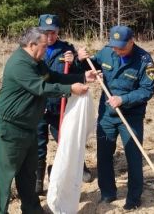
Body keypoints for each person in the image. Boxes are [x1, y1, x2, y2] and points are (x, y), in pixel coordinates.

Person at [0, 27, 99, 214]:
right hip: (10, 127)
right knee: (4, 175)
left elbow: (53, 77)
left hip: (28, 126)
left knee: (28, 174)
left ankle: (32, 210)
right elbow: (41, 87)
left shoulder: (37, 62)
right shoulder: (19, 64)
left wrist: (82, 77)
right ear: (32, 45)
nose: (47, 50)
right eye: (44, 47)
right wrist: (70, 89)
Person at [78, 25, 154, 211]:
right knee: (104, 155)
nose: (117, 50)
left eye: (121, 46)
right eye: (114, 46)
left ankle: (134, 198)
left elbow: (147, 90)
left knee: (133, 157)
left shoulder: (144, 61)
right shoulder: (106, 52)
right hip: (107, 115)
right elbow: (91, 65)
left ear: (131, 41)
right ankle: (107, 193)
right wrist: (82, 60)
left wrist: (123, 99)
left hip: (131, 116)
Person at [35, 14, 93, 195]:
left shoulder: (67, 49)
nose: (50, 36)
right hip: (39, 105)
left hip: (60, 104)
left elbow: (75, 75)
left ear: (58, 31)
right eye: (46, 32)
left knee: (66, 138)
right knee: (38, 143)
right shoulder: (33, 48)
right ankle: (38, 179)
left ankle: (77, 167)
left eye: (53, 32)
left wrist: (75, 62)